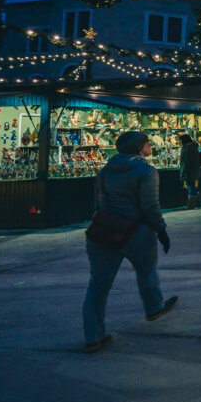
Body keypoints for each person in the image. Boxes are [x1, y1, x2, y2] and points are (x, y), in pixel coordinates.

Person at [81, 131, 179, 353]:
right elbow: (150, 206)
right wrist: (161, 230)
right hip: (136, 232)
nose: (150, 144)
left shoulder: (105, 171)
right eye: (147, 142)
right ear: (138, 147)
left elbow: (97, 201)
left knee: (97, 286)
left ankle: (93, 337)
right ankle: (154, 307)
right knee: (147, 271)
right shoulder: (146, 171)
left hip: (103, 231)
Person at [179, 134, 201, 209]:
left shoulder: (187, 148)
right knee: (193, 186)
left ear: (184, 140)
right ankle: (197, 202)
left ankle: (191, 204)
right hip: (195, 170)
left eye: (179, 141)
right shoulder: (193, 147)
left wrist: (182, 173)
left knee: (190, 186)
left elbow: (186, 162)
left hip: (189, 171)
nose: (179, 142)